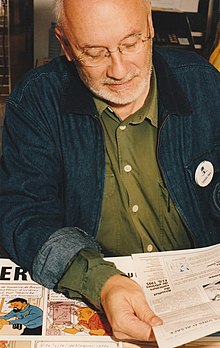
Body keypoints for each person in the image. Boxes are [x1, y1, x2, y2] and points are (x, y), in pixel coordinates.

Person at [0, 0, 219, 343]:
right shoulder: (36, 101)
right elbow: (26, 214)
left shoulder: (205, 85)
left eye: (131, 44)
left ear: (149, 24)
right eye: (94, 52)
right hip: (103, 291)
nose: (118, 70)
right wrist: (101, 282)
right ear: (65, 44)